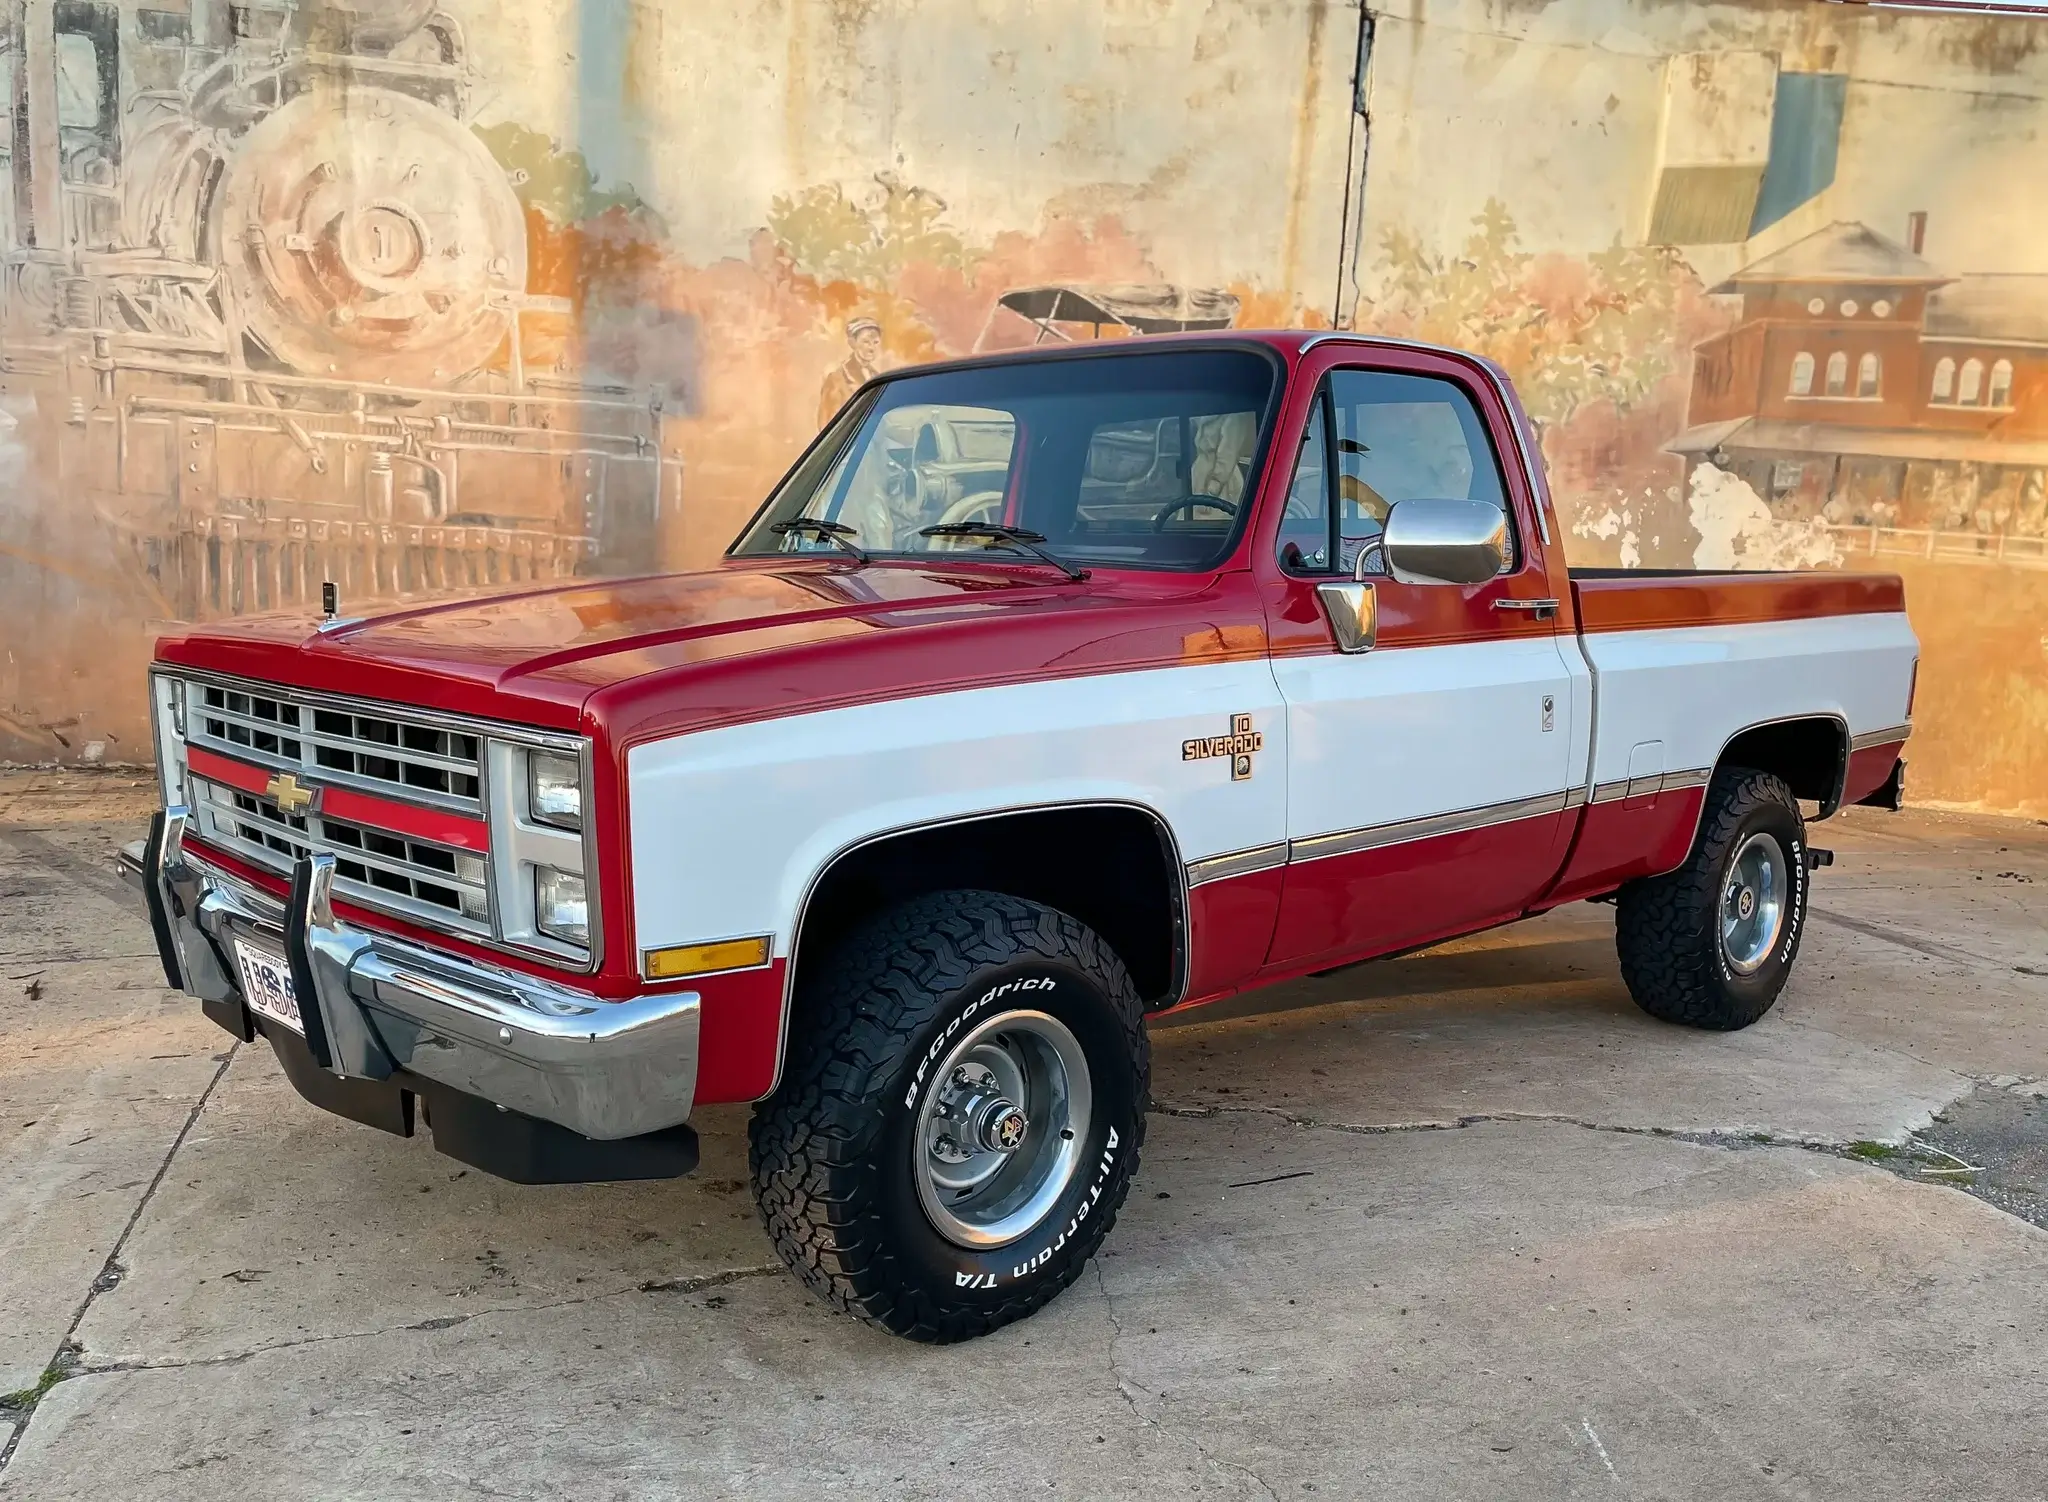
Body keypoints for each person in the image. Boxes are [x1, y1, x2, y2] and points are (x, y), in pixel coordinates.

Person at [818, 317, 884, 427]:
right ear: (852, 343)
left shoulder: (877, 377)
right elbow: (826, 423)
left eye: (875, 342)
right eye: (866, 342)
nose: (872, 348)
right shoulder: (837, 378)